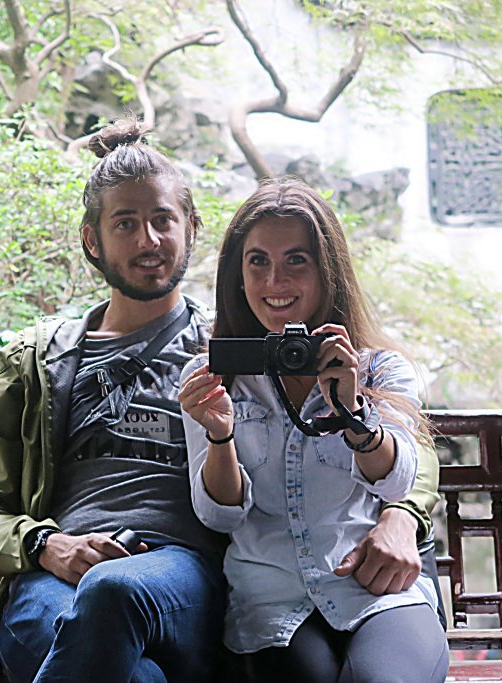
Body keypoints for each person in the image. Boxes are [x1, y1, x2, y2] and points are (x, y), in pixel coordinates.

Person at [0, 118, 443, 683]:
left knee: (113, 594)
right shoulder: (34, 360)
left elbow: (406, 446)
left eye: (162, 221)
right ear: (91, 239)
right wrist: (47, 545)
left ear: (191, 230)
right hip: (55, 570)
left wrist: (401, 513)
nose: (147, 241)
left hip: (182, 572)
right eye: (124, 224)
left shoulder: (236, 351)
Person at [179, 178, 450, 683]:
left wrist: (351, 411)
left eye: (296, 261)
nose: (274, 281)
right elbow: (219, 514)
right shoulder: (216, 375)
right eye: (257, 261)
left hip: (375, 588)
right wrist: (219, 433)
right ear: (237, 274)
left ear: (328, 271)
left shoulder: (381, 371)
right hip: (271, 599)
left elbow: (395, 481)